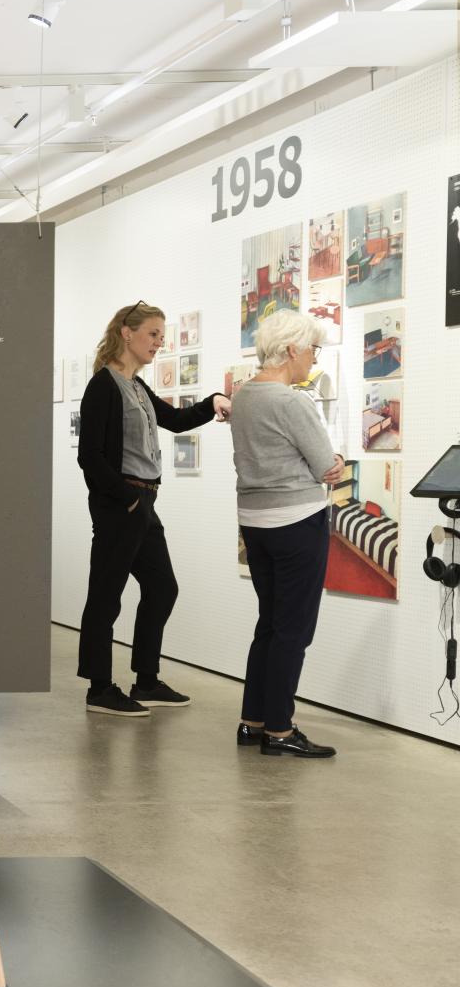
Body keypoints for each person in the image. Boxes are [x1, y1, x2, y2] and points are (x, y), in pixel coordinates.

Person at [75, 301, 231, 716]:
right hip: (120, 504)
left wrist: (212, 400)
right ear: (127, 333)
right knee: (106, 597)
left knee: (162, 588)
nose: (159, 343)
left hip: (143, 502)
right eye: (153, 334)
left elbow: (176, 421)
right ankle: (99, 689)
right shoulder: (103, 386)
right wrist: (125, 498)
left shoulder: (138, 387)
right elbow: (90, 457)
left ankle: (145, 680)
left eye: (163, 336)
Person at [230, 309, 340, 759]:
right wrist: (330, 464)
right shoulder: (293, 401)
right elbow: (325, 464)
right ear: (291, 349)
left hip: (254, 523)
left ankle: (253, 721)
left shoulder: (243, 397)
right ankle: (279, 729)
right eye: (312, 349)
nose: (313, 358)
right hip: (297, 521)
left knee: (270, 623)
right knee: (294, 630)